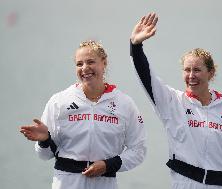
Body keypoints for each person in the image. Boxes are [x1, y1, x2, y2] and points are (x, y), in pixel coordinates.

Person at [130, 13, 222, 189]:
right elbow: (147, 78)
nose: (191, 76)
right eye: (187, 70)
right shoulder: (172, 103)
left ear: (211, 73)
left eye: (197, 70)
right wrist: (135, 46)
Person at [20, 40, 146, 189]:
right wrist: (45, 141)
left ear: (104, 63)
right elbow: (44, 155)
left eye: (91, 62)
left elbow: (138, 150)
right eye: (79, 64)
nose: (85, 68)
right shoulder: (59, 101)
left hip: (104, 183)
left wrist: (108, 165)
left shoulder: (125, 104)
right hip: (66, 183)